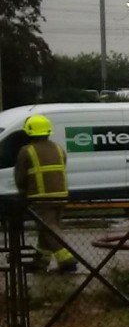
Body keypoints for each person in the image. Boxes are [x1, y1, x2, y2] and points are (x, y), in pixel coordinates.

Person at [14, 114, 75, 273]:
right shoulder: (58, 148)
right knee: (49, 227)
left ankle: (67, 259)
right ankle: (41, 261)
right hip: (61, 194)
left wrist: (22, 193)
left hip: (40, 197)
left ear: (29, 132)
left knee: (47, 228)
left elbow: (20, 177)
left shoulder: (26, 151)